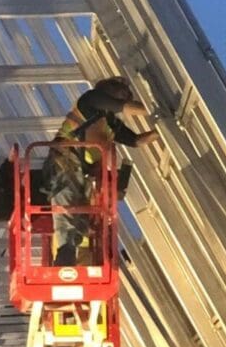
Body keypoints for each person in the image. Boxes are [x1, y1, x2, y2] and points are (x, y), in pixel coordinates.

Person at [44, 77, 158, 266]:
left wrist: (159, 131)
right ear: (110, 89)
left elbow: (135, 141)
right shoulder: (91, 99)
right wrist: (155, 109)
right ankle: (63, 265)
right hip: (64, 163)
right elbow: (127, 107)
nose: (127, 95)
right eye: (123, 91)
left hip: (82, 170)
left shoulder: (110, 121)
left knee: (80, 221)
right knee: (67, 219)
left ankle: (68, 262)